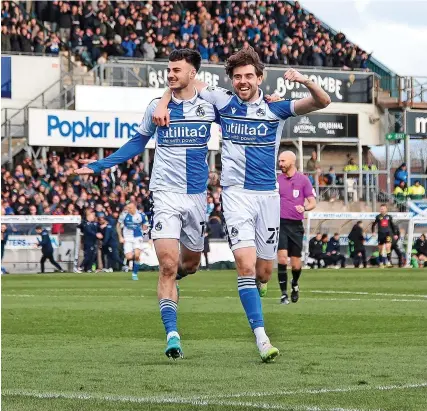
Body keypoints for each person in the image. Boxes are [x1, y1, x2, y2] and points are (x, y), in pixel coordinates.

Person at [153, 46, 330, 362]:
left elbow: (322, 102)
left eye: (249, 76)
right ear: (231, 80)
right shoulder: (220, 102)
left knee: (263, 272)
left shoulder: (276, 109)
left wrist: (303, 79)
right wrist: (166, 100)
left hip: (267, 198)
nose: (243, 81)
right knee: (246, 267)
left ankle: (261, 285)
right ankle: (262, 339)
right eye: (237, 77)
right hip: (234, 197)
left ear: (260, 77)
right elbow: (180, 83)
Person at [71, 49, 216, 360]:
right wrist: (100, 165)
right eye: (169, 69)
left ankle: (173, 282)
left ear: (192, 74)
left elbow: (235, 105)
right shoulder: (156, 107)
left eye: (177, 70)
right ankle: (172, 334)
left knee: (188, 265)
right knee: (166, 265)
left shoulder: (208, 105)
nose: (171, 74)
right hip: (164, 193)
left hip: (196, 197)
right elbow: (137, 142)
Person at [276, 151, 316, 305]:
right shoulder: (277, 180)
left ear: (292, 162)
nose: (280, 164)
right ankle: (283, 294)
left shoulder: (303, 180)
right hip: (280, 223)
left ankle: (294, 283)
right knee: (281, 257)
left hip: (296, 225)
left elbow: (312, 202)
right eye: (279, 161)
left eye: (283, 161)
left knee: (296, 263)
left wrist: (304, 208)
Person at [117, 202, 149, 280]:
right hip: (127, 238)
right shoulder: (124, 215)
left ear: (134, 207)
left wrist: (145, 233)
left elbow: (146, 224)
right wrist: (120, 237)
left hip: (137, 237)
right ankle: (136, 260)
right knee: (129, 257)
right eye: (127, 208)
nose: (128, 209)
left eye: (129, 208)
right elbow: (118, 225)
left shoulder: (141, 215)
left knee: (137, 255)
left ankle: (134, 274)